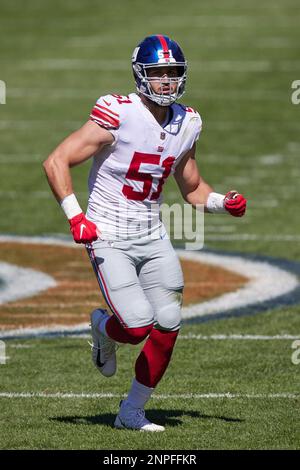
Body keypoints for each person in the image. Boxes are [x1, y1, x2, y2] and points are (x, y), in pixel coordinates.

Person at [43, 34, 247, 432]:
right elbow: (56, 160)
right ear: (141, 76)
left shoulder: (188, 122)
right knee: (137, 326)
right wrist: (75, 215)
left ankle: (130, 412)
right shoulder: (118, 113)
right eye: (158, 73)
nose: (167, 81)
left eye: (173, 73)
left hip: (151, 234)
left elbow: (192, 188)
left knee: (168, 322)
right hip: (108, 234)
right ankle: (103, 327)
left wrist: (224, 202)